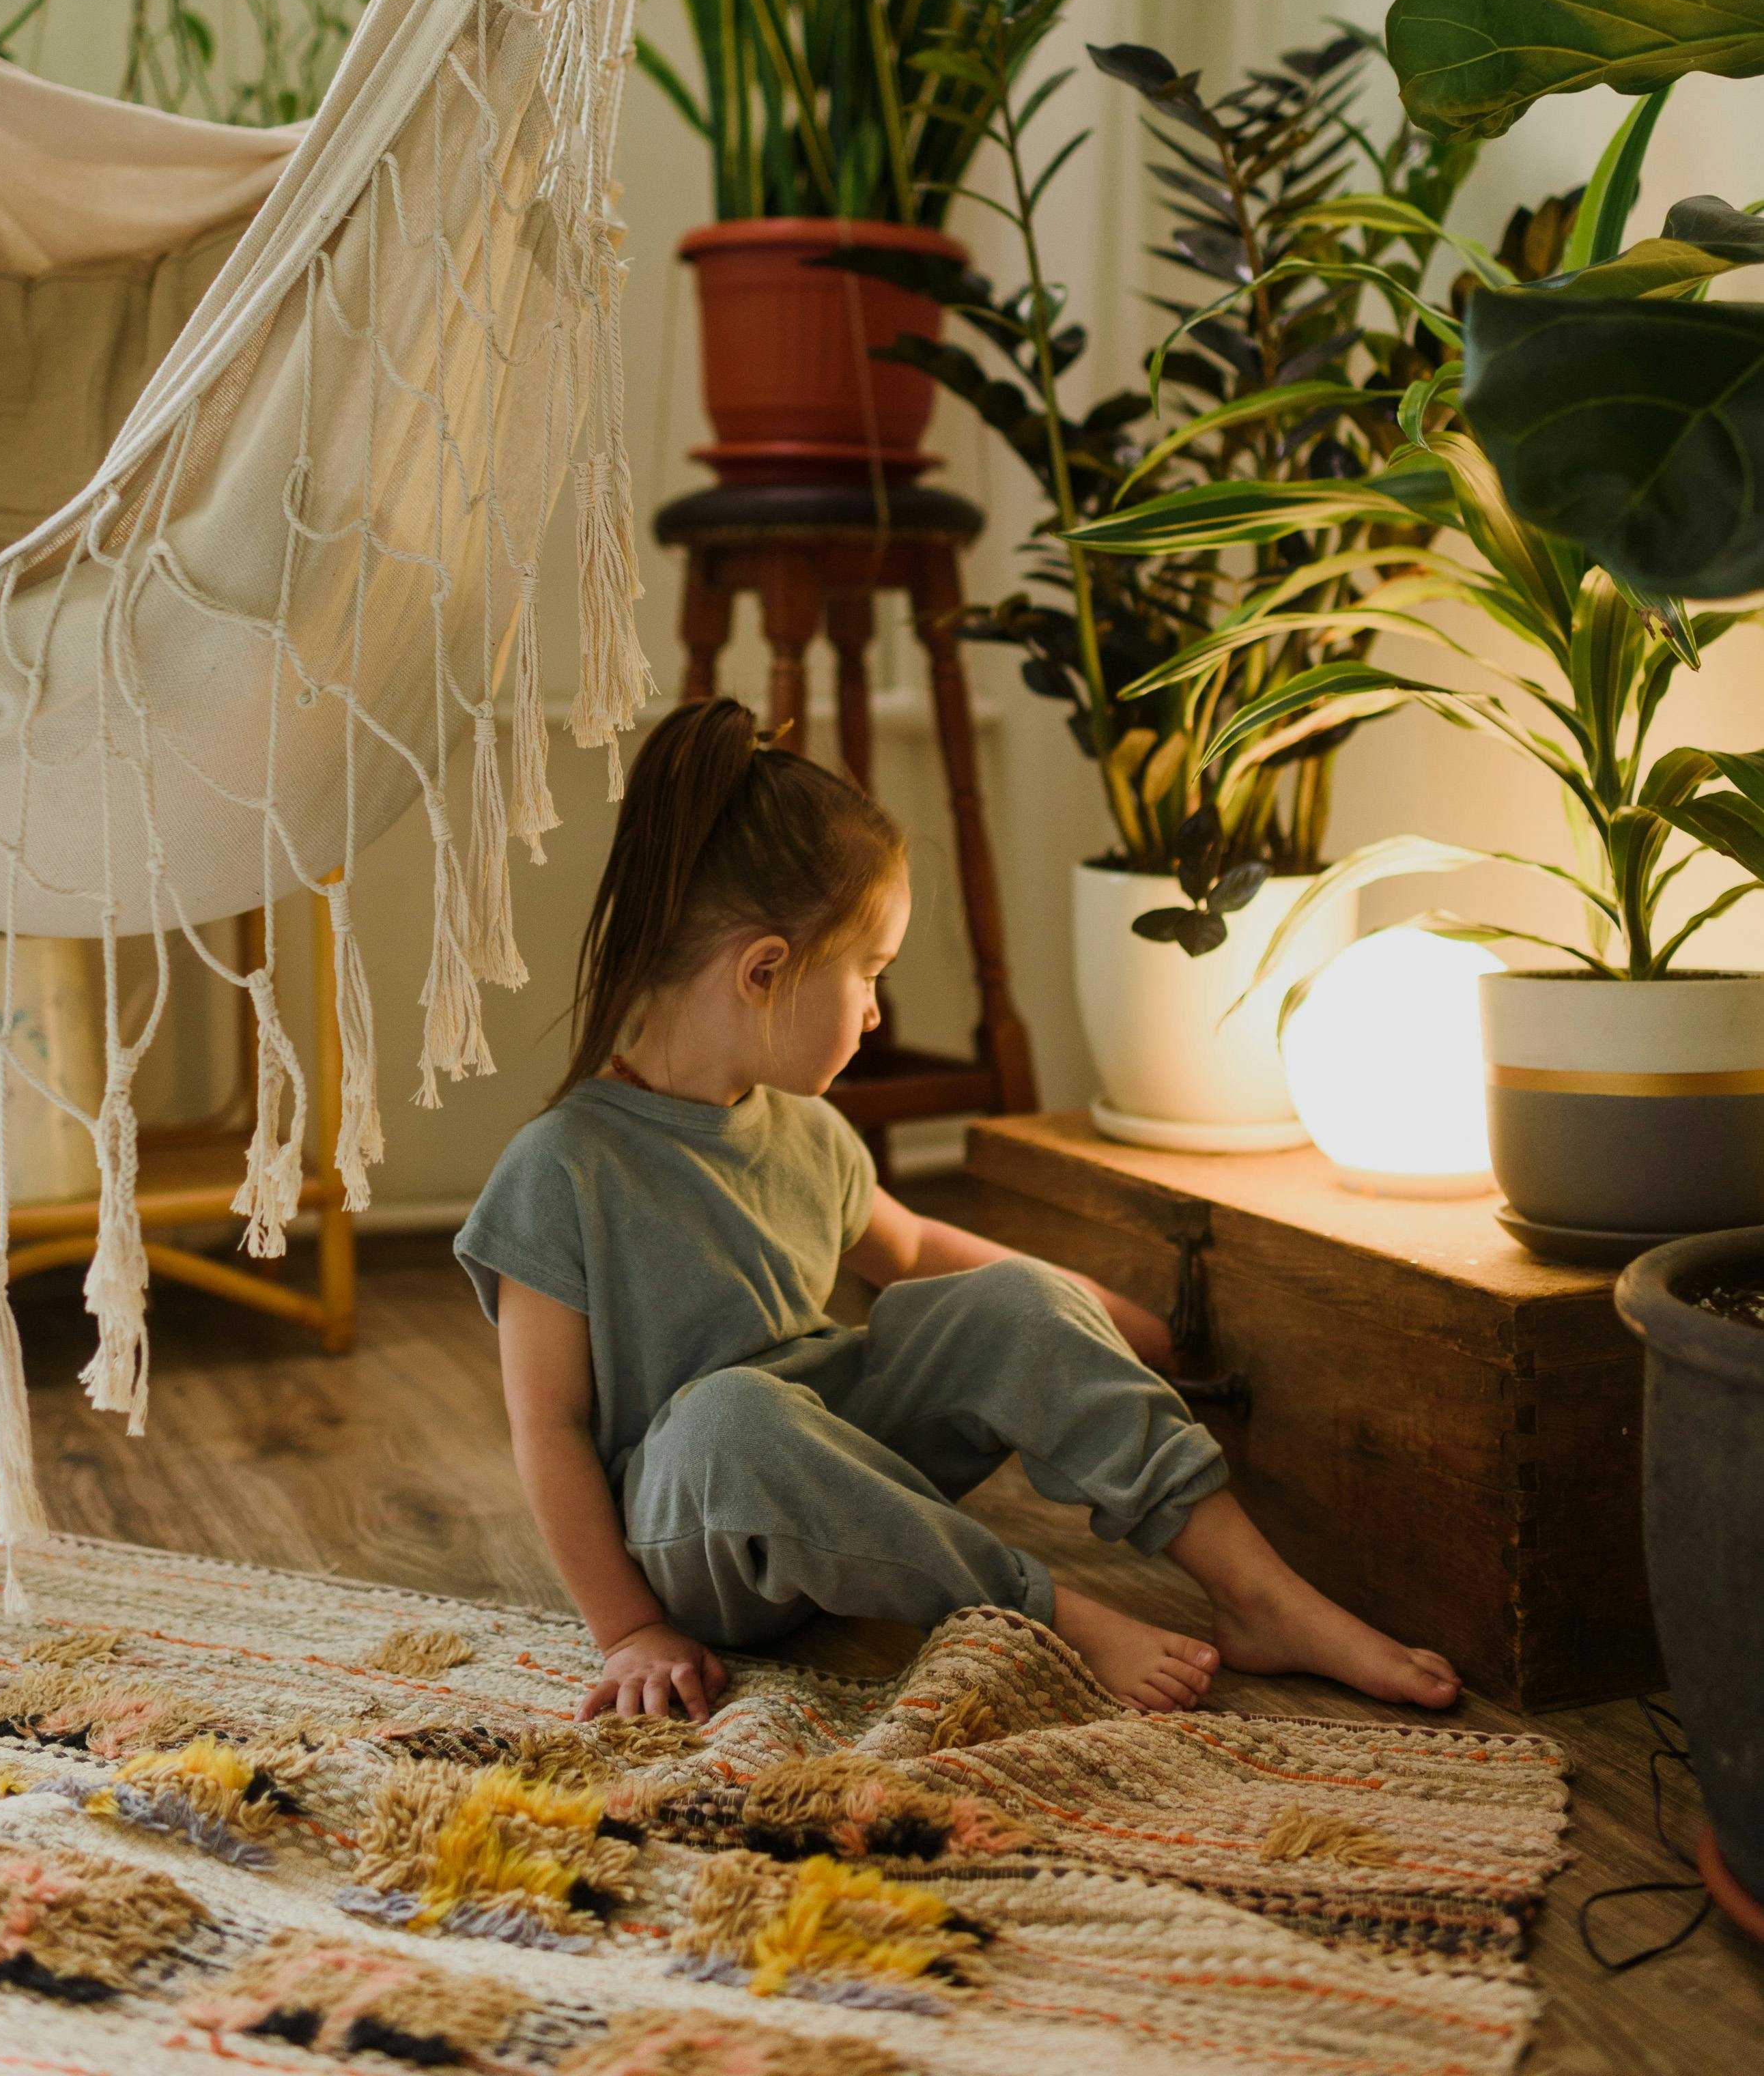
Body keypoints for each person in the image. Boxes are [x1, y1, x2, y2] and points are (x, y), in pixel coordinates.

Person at [456, 699, 1460, 1725]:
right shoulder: (562, 1168)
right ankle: (1043, 1611)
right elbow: (552, 1429)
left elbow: (916, 1248)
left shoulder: (799, 1131)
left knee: (1015, 1298)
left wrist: (1082, 1316)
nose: (877, 1013)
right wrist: (631, 1630)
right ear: (764, 972)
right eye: (869, 974)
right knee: (733, 1417)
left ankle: (1262, 1595)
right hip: (699, 1534)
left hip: (828, 1465)